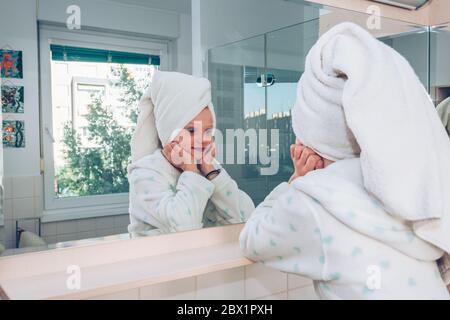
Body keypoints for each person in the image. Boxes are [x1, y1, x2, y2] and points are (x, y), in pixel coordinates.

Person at [240, 22, 450, 299]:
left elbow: (252, 241)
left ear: (311, 132)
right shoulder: (408, 184)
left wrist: (294, 181)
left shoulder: (314, 200)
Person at [128, 71, 255, 237]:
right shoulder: (145, 173)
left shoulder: (208, 166)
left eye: (208, 130)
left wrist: (212, 173)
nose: (203, 140)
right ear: (168, 132)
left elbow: (245, 218)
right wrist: (190, 171)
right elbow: (184, 230)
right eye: (191, 130)